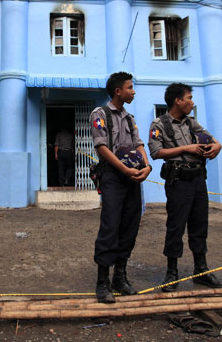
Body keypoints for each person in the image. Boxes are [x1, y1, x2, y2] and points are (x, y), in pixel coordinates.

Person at [148, 83, 222, 292]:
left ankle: (201, 270)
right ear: (177, 100)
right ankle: (171, 273)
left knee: (200, 224)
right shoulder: (159, 124)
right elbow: (156, 152)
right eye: (189, 98)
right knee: (176, 226)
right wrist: (186, 148)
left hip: (198, 179)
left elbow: (213, 141)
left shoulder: (192, 123)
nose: (192, 102)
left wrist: (217, 146)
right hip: (178, 181)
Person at [89, 72, 152, 303]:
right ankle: (103, 281)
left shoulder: (129, 118)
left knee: (130, 225)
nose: (133, 91)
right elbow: (102, 147)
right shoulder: (100, 114)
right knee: (110, 226)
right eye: (130, 87)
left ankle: (120, 276)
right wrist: (124, 170)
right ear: (118, 91)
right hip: (113, 177)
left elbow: (138, 144)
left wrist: (146, 167)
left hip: (133, 177)